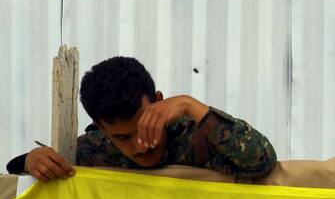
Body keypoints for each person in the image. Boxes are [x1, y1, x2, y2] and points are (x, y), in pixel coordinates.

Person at [6, 56, 277, 182]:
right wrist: (32, 160)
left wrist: (189, 105)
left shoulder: (198, 136)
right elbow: (18, 173)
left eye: (147, 127)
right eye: (122, 138)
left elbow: (262, 161)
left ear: (160, 101)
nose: (140, 146)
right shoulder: (94, 149)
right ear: (101, 129)